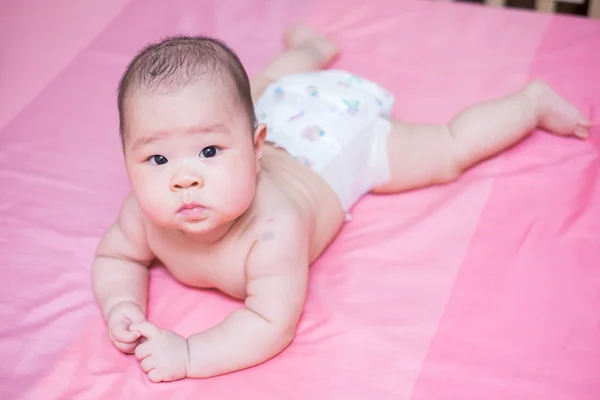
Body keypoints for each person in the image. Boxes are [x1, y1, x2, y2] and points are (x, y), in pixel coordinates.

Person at [92, 24, 591, 383]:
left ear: (256, 148)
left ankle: (530, 103)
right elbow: (115, 256)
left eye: (208, 152)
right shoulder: (144, 216)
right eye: (156, 158)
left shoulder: (272, 229)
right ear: (126, 161)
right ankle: (308, 48)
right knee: (261, 86)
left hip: (337, 143)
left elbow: (270, 323)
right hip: (282, 101)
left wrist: (190, 353)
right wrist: (122, 303)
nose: (184, 178)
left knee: (447, 149)